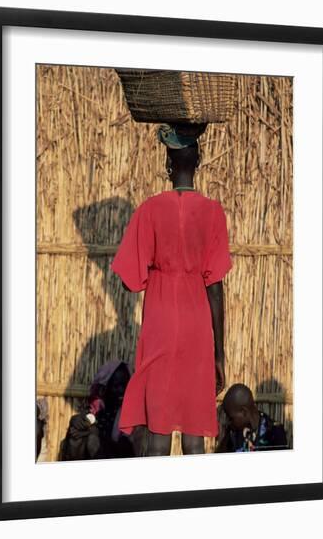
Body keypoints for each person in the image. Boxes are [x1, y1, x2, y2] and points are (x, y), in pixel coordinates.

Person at [110, 122, 233, 456]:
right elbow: (216, 287)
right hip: (197, 325)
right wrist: (219, 353)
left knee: (158, 433)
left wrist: (157, 266)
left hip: (161, 323)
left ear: (167, 164)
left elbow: (128, 281)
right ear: (199, 160)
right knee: (194, 434)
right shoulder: (212, 212)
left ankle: (156, 502)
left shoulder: (149, 210)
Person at [59, 360, 147, 460]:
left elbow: (127, 450)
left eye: (125, 385)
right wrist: (78, 424)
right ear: (105, 388)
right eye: (116, 386)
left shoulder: (132, 415)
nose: (122, 390)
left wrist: (94, 435)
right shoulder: (96, 410)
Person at [216, 383, 289, 452]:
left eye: (231, 418)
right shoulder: (233, 432)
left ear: (244, 412)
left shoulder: (275, 432)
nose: (228, 422)